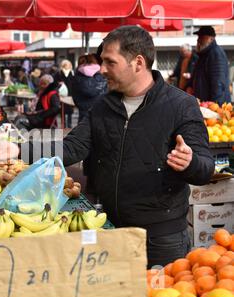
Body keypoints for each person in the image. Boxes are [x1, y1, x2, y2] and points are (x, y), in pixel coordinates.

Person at [58, 26, 214, 269]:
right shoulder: (102, 106)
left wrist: (190, 162)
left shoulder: (180, 105)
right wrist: (18, 150)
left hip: (160, 240)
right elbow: (73, 146)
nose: (101, 69)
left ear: (138, 62)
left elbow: (205, 169)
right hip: (109, 230)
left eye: (110, 62)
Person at [190, 26, 231, 104]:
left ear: (211, 39)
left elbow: (218, 82)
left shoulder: (215, 53)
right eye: (198, 37)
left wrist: (215, 105)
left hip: (213, 106)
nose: (198, 40)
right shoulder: (204, 54)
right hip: (205, 103)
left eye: (201, 37)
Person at [72, 53, 107, 122]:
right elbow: (91, 91)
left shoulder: (78, 75)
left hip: (83, 111)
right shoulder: (100, 76)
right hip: (99, 112)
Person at [55, 60, 75, 128]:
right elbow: (55, 83)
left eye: (68, 64)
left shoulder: (72, 72)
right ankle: (64, 125)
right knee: (63, 110)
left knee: (69, 110)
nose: (68, 66)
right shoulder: (59, 73)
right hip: (63, 94)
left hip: (70, 93)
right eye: (66, 64)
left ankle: (68, 125)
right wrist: (59, 84)